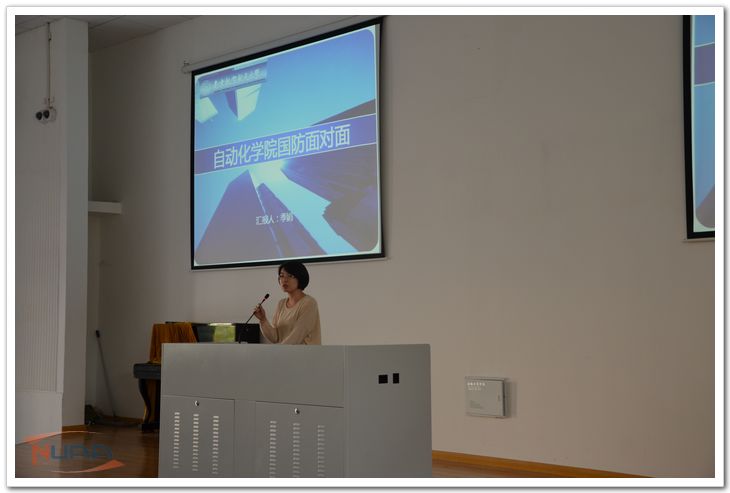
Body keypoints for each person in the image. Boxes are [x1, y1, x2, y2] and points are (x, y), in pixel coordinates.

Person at [253, 261, 321, 345]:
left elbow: (297, 336)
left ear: (300, 277)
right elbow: (275, 337)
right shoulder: (281, 304)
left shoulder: (309, 303)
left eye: (290, 276)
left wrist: (278, 351)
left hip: (304, 353)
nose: (284, 280)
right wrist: (263, 320)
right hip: (285, 352)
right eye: (281, 276)